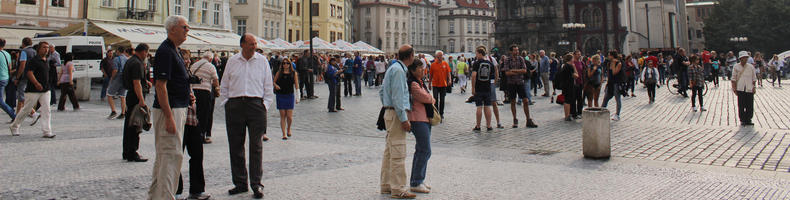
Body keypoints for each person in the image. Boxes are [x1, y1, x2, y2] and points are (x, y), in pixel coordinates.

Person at [220, 33, 273, 199]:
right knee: (236, 146)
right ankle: (240, 183)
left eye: (255, 43)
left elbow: (268, 85)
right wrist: (227, 102)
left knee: (256, 146)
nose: (254, 46)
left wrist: (265, 105)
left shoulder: (262, 61)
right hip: (235, 105)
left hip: (256, 105)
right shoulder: (232, 61)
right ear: (242, 44)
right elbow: (225, 84)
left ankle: (256, 184)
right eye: (251, 43)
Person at [147, 15, 194, 200]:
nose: (187, 30)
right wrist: (168, 117)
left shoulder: (174, 50)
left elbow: (174, 81)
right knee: (171, 156)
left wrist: (186, 92)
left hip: (178, 106)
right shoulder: (166, 51)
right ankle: (165, 196)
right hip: (170, 109)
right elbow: (160, 86)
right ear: (173, 28)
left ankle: (155, 196)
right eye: (185, 27)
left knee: (164, 157)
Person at [379, 45, 418, 199]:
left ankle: (386, 184)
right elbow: (398, 97)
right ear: (410, 56)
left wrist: (386, 105)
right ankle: (398, 188)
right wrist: (403, 118)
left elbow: (382, 91)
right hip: (396, 114)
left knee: (389, 151)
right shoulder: (399, 71)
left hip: (390, 111)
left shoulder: (393, 68)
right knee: (398, 151)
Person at [9, 41, 52, 137]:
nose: (46, 49)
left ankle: (47, 131)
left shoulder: (47, 60)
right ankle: (15, 126)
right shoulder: (34, 60)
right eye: (44, 47)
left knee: (46, 109)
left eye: (47, 47)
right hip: (33, 90)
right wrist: (36, 83)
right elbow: (29, 73)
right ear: (39, 49)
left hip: (45, 89)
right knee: (26, 109)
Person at [405, 59, 435, 194]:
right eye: (420, 68)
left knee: (421, 150)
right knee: (425, 150)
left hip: (425, 118)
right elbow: (427, 98)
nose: (423, 70)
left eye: (423, 68)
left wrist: (429, 97)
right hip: (418, 119)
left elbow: (428, 97)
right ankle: (416, 181)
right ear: (412, 70)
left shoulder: (420, 82)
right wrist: (430, 98)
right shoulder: (413, 84)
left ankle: (418, 179)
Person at [120, 43, 151, 163]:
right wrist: (142, 101)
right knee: (135, 124)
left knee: (129, 123)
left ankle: (127, 151)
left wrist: (146, 81)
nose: (147, 55)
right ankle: (133, 152)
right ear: (143, 51)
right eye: (147, 53)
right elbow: (136, 83)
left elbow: (137, 81)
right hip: (136, 96)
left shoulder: (131, 60)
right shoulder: (137, 63)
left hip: (131, 95)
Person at [501, 44, 538, 128]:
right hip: (511, 83)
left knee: (525, 101)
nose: (517, 52)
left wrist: (513, 70)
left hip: (520, 82)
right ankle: (515, 119)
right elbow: (507, 73)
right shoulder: (507, 60)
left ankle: (528, 119)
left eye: (517, 50)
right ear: (511, 51)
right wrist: (519, 71)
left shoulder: (521, 59)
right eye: (515, 50)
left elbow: (524, 70)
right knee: (513, 102)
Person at [471, 46, 496, 131]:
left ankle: (478, 126)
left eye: (477, 53)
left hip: (479, 87)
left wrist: (473, 88)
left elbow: (474, 75)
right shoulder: (490, 64)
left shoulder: (476, 63)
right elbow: (493, 75)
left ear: (480, 53)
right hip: (487, 87)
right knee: (487, 106)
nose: (476, 55)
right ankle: (489, 125)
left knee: (479, 107)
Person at [274, 58, 299, 139]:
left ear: (290, 64)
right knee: (282, 115)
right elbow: (273, 81)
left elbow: (296, 84)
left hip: (289, 95)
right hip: (280, 95)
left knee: (289, 116)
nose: (285, 65)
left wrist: (298, 96)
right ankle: (284, 133)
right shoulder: (279, 73)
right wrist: (275, 85)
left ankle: (288, 128)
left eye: (287, 63)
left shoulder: (293, 73)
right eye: (284, 63)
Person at [732, 51, 756, 126]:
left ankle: (748, 119)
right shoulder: (736, 66)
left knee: (750, 105)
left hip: (749, 88)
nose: (745, 59)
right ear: (740, 58)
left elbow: (754, 78)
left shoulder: (751, 67)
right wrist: (734, 88)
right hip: (740, 88)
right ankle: (742, 119)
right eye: (744, 58)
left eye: (746, 58)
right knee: (741, 104)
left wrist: (754, 87)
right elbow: (733, 78)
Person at [15, 38, 35, 120]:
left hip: (24, 77)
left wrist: (17, 77)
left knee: (21, 96)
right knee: (25, 96)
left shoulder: (24, 52)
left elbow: (22, 65)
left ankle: (33, 113)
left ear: (23, 44)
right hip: (32, 76)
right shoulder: (34, 51)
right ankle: (17, 116)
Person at [107, 46, 129, 119]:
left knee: (109, 94)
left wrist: (112, 78)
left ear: (118, 51)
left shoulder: (116, 59)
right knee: (122, 96)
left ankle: (113, 111)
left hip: (118, 77)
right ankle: (123, 113)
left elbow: (115, 70)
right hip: (125, 78)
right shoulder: (127, 59)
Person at [601, 51, 623, 121]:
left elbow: (614, 73)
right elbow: (609, 74)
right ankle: (601, 112)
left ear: (612, 56)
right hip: (610, 83)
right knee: (605, 98)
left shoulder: (618, 63)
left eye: (609, 55)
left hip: (616, 83)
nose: (608, 57)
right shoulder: (608, 63)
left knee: (617, 99)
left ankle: (617, 114)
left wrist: (613, 64)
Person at [428, 50, 451, 118]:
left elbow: (448, 73)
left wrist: (449, 79)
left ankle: (441, 113)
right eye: (439, 56)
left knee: (442, 99)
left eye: (441, 56)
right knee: (435, 99)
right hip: (435, 84)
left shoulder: (445, 64)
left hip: (443, 84)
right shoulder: (433, 65)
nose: (440, 57)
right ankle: (436, 112)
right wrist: (429, 83)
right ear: (436, 57)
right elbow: (431, 75)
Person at [558, 54, 579, 121]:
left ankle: (567, 115)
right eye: (573, 58)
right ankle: (567, 115)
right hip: (569, 85)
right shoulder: (569, 66)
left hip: (565, 85)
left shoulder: (564, 66)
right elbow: (576, 76)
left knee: (567, 100)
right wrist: (574, 67)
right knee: (568, 100)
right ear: (571, 59)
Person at [0, 38, 17, 120]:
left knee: (0, 101)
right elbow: (9, 68)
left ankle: (14, 116)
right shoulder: (7, 54)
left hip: (0, 78)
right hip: (5, 78)